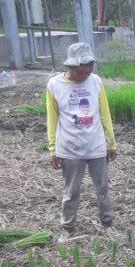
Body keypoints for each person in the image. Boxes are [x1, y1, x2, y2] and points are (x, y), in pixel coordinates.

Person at [46, 42, 117, 241]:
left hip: (96, 147)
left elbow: (105, 113)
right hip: (70, 150)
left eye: (90, 66)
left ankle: (108, 224)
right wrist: (53, 148)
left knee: (102, 189)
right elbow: (52, 119)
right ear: (73, 66)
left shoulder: (95, 81)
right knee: (71, 191)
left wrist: (111, 142)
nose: (88, 71)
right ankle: (67, 228)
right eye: (84, 67)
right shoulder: (55, 85)